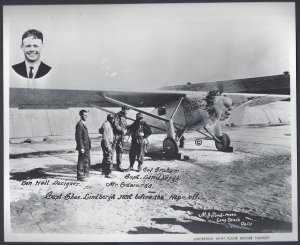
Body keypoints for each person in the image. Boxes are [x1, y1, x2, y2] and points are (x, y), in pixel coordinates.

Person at [75, 110, 91, 181]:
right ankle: (80, 176)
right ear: (81, 115)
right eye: (84, 115)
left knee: (86, 160)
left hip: (87, 146)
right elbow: (78, 137)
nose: (86, 117)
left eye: (86, 115)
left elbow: (86, 136)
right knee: (81, 161)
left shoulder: (84, 123)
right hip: (83, 146)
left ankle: (85, 173)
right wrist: (81, 147)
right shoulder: (80, 124)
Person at [112, 105, 129, 172]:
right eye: (125, 110)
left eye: (127, 110)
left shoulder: (124, 116)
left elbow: (124, 126)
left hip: (121, 137)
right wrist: (122, 130)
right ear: (123, 110)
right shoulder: (117, 115)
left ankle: (119, 166)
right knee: (112, 152)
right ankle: (109, 167)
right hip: (115, 136)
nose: (126, 112)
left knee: (120, 151)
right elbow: (116, 125)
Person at [99, 114, 115, 178]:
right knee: (108, 157)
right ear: (110, 119)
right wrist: (107, 146)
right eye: (112, 119)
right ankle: (108, 173)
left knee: (105, 157)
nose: (113, 120)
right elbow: (105, 136)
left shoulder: (108, 124)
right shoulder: (106, 125)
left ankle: (104, 171)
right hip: (107, 143)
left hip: (108, 143)